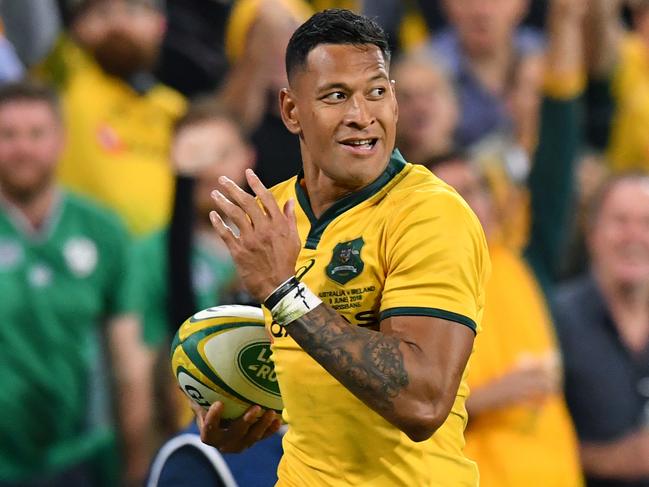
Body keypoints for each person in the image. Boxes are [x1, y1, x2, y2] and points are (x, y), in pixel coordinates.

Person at [195, 9, 490, 486]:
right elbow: (306, 379)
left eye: (376, 92)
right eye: (336, 96)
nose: (361, 116)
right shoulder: (277, 215)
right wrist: (245, 414)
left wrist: (286, 293)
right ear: (291, 110)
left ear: (393, 100)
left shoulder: (430, 215)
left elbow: (424, 401)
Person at [0, 81, 153, 486]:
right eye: (8, 134)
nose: (23, 148)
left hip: (80, 456)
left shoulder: (102, 230)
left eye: (36, 133)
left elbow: (129, 365)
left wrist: (136, 467)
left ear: (61, 140)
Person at [35, 0, 186, 235]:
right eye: (101, 13)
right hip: (78, 251)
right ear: (77, 28)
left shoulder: (175, 108)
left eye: (133, 10)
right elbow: (29, 19)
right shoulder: (64, 76)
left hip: (159, 260)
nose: (118, 23)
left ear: (160, 25)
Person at [554, 173, 649, 487]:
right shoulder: (556, 319)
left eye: (646, 222)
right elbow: (526, 438)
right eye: (620, 221)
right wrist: (612, 460)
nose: (634, 236)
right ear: (591, 233)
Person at [428, 0, 545, 150]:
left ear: (522, 4)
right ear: (447, 4)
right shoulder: (424, 70)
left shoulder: (546, 56)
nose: (482, 11)